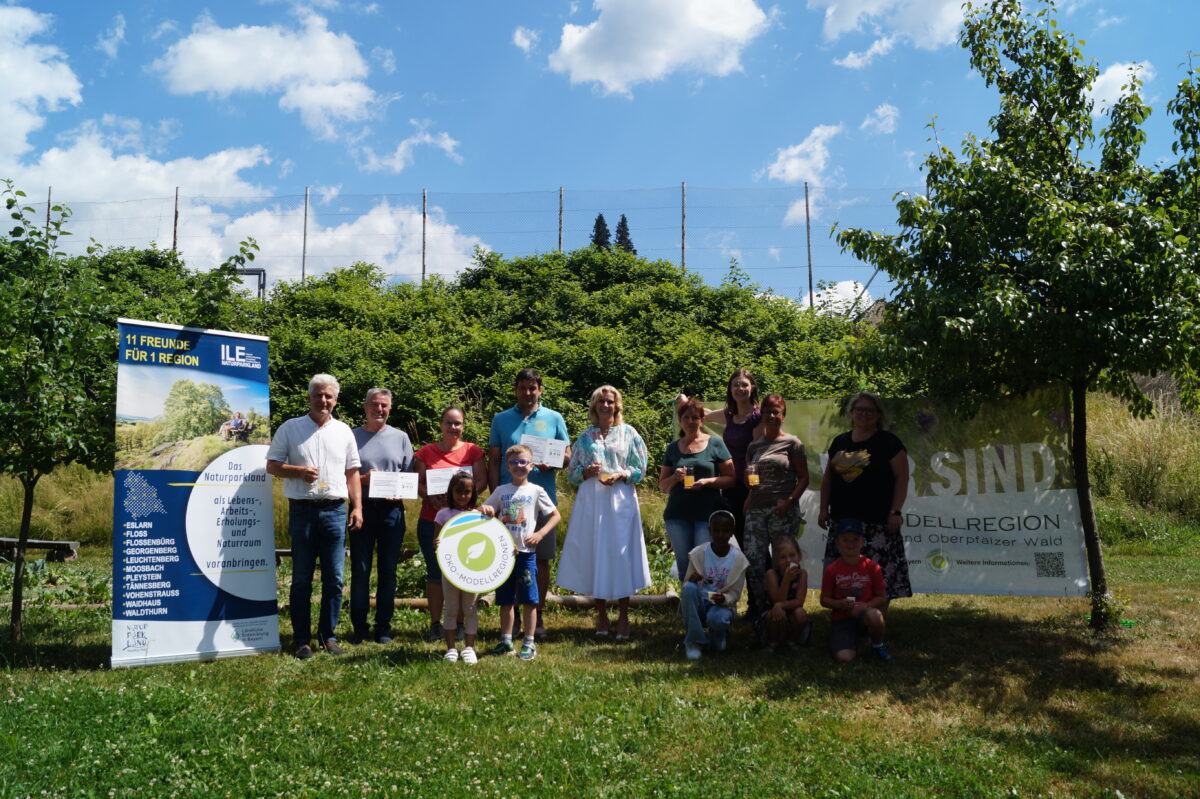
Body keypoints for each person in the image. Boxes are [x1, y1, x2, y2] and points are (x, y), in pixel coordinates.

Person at [266, 374, 362, 659]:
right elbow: (272, 465)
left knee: (334, 577)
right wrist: (298, 471)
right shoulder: (290, 428)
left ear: (336, 400)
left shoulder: (345, 431)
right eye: (318, 395)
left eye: (328, 396)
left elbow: (352, 472)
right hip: (303, 512)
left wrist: (357, 507)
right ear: (309, 397)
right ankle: (301, 640)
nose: (323, 400)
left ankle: (328, 636)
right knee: (301, 579)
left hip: (335, 511)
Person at [557, 385, 651, 640]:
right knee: (595, 551)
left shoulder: (629, 433)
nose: (605, 405)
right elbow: (572, 471)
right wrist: (585, 472)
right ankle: (600, 614)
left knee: (621, 554)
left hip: (621, 498)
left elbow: (641, 467)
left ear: (616, 406)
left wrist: (623, 473)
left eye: (610, 402)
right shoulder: (586, 437)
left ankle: (623, 615)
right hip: (593, 499)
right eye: (601, 402)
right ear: (594, 406)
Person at [488, 368, 570, 639]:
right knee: (509, 558)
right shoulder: (501, 420)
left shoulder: (554, 418)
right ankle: (510, 621)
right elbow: (494, 459)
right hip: (508, 503)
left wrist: (554, 461)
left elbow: (567, 457)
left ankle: (538, 614)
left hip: (541, 501)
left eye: (532, 388)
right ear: (516, 389)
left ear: (540, 390)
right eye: (523, 387)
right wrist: (494, 497)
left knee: (541, 561)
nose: (527, 393)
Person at [817, 391, 912, 605]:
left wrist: (895, 512)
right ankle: (847, 621)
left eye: (870, 410)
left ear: (879, 415)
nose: (864, 414)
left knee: (879, 580)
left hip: (878, 522)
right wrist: (823, 509)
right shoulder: (840, 441)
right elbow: (828, 479)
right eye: (859, 409)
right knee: (845, 577)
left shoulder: (889, 443)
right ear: (851, 413)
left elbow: (902, 479)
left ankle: (876, 623)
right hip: (843, 522)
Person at [414, 406, 487, 642]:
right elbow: (417, 483)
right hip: (431, 520)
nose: (453, 427)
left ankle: (459, 624)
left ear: (463, 425)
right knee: (435, 573)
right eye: (448, 423)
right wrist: (429, 497)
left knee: (463, 571)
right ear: (440, 424)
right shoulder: (424, 453)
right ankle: (436, 624)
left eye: (458, 423)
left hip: (466, 524)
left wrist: (462, 498)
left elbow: (481, 481)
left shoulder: (473, 452)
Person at [484, 444, 562, 661]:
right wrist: (488, 510)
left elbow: (555, 515)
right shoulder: (500, 491)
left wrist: (540, 534)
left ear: (531, 465)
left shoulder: (537, 491)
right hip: (504, 555)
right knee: (505, 599)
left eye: (523, 462)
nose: (519, 466)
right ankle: (506, 640)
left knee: (529, 600)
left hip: (527, 554)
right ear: (507, 467)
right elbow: (486, 510)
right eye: (514, 462)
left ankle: (529, 642)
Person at [350, 388, 413, 645]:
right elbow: (344, 477)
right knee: (360, 570)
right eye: (375, 405)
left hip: (391, 512)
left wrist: (398, 492)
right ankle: (360, 627)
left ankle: (383, 627)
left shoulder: (401, 438)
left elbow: (409, 477)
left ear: (390, 409)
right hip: (361, 509)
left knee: (388, 571)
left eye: (384, 405)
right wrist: (364, 479)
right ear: (365, 407)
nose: (379, 409)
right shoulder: (351, 436)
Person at [743, 394, 810, 626]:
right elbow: (751, 480)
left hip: (782, 510)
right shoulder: (754, 446)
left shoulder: (793, 443)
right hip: (757, 509)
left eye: (777, 412)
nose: (772, 415)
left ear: (783, 416)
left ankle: (789, 609)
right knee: (753, 561)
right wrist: (749, 496)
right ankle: (764, 612)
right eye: (768, 411)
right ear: (761, 414)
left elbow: (804, 478)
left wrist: (790, 501)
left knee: (783, 563)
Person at [658, 398, 735, 580]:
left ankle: (705, 606)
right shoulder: (672, 449)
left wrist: (707, 482)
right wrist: (675, 478)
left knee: (702, 566)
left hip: (706, 515)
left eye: (695, 417)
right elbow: (662, 486)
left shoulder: (715, 443)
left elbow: (731, 478)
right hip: (677, 515)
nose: (690, 422)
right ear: (680, 420)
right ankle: (688, 607)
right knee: (684, 567)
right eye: (686, 417)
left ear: (702, 420)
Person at [820, 518, 891, 663]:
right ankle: (853, 639)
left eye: (855, 539)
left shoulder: (873, 567)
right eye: (845, 539)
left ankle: (878, 645)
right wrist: (839, 604)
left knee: (876, 616)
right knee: (844, 658)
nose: (851, 543)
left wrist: (866, 606)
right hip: (841, 619)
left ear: (862, 542)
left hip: (865, 615)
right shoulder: (831, 570)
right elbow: (824, 600)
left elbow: (882, 597)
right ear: (837, 542)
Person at [680, 511, 748, 661]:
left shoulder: (739, 560)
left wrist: (724, 598)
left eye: (725, 531)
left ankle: (718, 634)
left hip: (721, 606)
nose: (720, 535)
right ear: (709, 531)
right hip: (700, 602)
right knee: (689, 589)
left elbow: (735, 595)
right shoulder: (698, 553)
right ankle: (694, 641)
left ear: (731, 533)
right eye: (716, 530)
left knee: (719, 638)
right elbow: (686, 587)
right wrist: (691, 580)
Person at [433, 471, 485, 665]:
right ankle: (451, 649)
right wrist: (436, 542)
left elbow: (488, 540)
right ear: (451, 492)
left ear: (473, 493)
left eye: (467, 492)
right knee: (451, 609)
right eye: (459, 491)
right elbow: (436, 542)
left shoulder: (477, 515)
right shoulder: (442, 514)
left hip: (471, 571)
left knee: (470, 608)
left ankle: (469, 648)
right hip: (450, 571)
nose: (463, 496)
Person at [761, 534, 811, 650]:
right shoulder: (771, 574)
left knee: (800, 613)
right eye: (782, 557)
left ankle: (791, 640)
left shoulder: (802, 574)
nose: (788, 560)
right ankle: (772, 642)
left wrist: (781, 605)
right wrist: (786, 580)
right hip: (773, 612)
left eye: (792, 555)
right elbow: (777, 601)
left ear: (799, 556)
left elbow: (799, 602)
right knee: (777, 614)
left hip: (791, 610)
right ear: (776, 560)